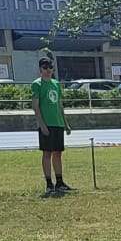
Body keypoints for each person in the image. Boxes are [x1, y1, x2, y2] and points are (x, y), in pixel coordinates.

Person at [31, 56, 72, 194]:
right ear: (40, 69)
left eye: (50, 67)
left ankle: (60, 182)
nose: (48, 70)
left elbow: (60, 105)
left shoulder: (56, 84)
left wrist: (65, 123)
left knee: (58, 153)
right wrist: (42, 125)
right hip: (46, 124)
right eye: (45, 68)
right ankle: (49, 183)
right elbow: (36, 107)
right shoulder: (37, 84)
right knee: (47, 153)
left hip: (57, 123)